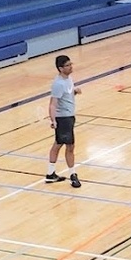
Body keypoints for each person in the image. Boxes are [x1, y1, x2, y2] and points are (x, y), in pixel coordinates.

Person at [45, 54, 82, 188]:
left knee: (58, 144)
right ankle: (73, 175)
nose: (71, 67)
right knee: (70, 146)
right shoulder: (58, 84)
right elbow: (53, 104)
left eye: (71, 64)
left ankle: (50, 174)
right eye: (67, 65)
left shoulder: (68, 79)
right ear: (61, 68)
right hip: (63, 118)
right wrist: (53, 120)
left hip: (69, 116)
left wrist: (74, 92)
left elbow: (67, 94)